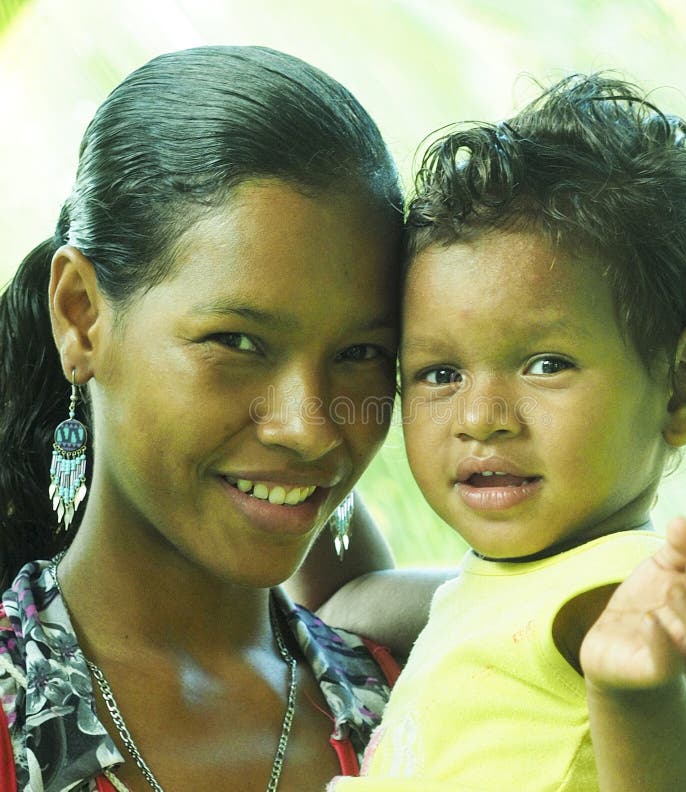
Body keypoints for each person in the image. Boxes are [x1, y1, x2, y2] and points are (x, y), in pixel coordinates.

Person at [326, 74, 686, 791]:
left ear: (683, 384)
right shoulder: (508, 588)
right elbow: (348, 604)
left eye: (545, 364)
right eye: (440, 374)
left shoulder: (623, 597)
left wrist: (635, 700)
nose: (480, 417)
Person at [0, 45, 409, 792]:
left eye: (360, 352)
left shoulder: (425, 705)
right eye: (238, 342)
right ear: (82, 319)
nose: (311, 427)